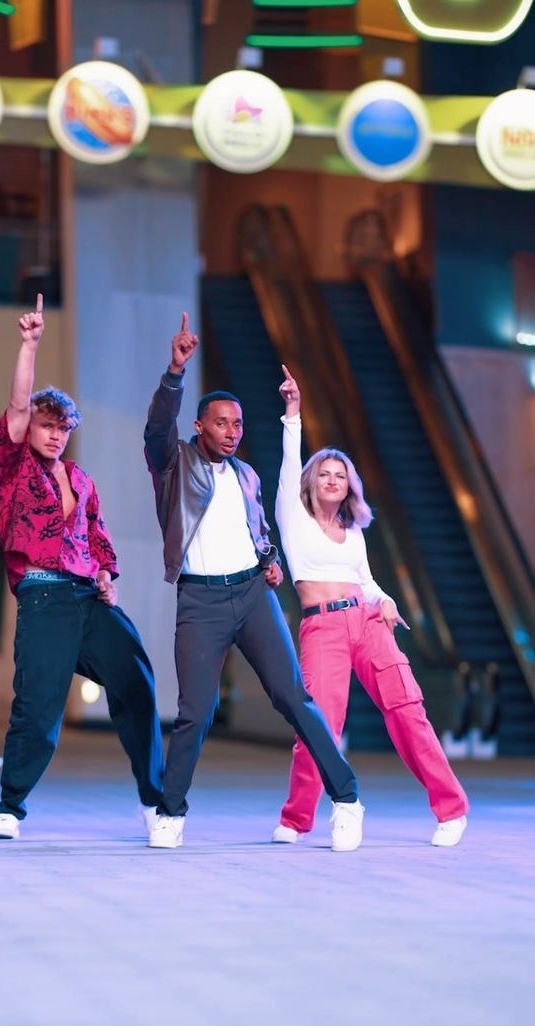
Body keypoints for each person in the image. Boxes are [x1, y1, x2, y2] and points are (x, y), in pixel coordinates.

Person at [143, 313, 360, 850]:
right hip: (200, 599)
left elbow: (256, 527)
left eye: (238, 424)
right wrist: (175, 371)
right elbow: (155, 430)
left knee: (293, 697)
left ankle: (348, 799)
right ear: (200, 426)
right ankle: (170, 813)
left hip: (251, 595)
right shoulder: (173, 463)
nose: (232, 431)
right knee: (196, 710)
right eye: (221, 423)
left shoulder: (246, 475)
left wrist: (268, 558)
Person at [0, 294, 163, 838]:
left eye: (63, 426)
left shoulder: (79, 478)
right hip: (42, 597)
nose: (55, 434)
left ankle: (154, 801)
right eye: (46, 425)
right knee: (38, 710)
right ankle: (11, 808)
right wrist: (29, 345)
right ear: (30, 430)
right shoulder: (7, 469)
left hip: (88, 597)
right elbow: (15, 410)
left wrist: (107, 575)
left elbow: (98, 537)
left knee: (136, 681)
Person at [272, 364, 469, 848]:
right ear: (311, 481)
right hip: (322, 629)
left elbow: (365, 579)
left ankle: (451, 810)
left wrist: (385, 600)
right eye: (325, 473)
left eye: (341, 475)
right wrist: (292, 413)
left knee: (408, 711)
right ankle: (298, 818)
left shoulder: (354, 530)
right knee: (318, 725)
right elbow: (288, 457)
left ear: (349, 485)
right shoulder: (292, 516)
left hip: (368, 620)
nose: (333, 480)